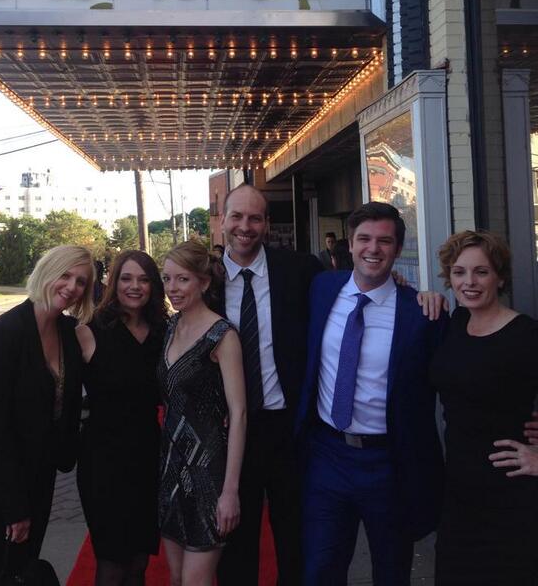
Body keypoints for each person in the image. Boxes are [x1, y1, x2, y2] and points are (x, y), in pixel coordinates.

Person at [296, 201, 446, 586]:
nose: (373, 249)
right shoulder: (322, 288)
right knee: (320, 571)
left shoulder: (421, 314)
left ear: (397, 249)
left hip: (388, 463)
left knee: (392, 572)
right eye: (364, 239)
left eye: (384, 241)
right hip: (327, 455)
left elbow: (457, 380)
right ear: (349, 244)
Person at [0, 245, 94, 586]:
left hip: (34, 480)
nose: (71, 287)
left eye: (81, 281)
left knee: (23, 573)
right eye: (65, 275)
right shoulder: (5, 333)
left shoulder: (68, 332)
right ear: (46, 272)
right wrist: (15, 508)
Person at [216, 184, 322, 586]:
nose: (245, 226)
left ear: (266, 224)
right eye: (237, 217)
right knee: (235, 541)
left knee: (294, 537)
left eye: (255, 218)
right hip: (230, 431)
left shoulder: (300, 270)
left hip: (287, 428)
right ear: (222, 221)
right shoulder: (206, 282)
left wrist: (405, 290)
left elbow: (348, 294)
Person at [429, 230, 538, 586]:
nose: (469, 282)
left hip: (510, 497)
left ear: (500, 277)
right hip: (458, 495)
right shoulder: (456, 323)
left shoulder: (526, 336)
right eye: (459, 272)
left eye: (481, 272)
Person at [76, 250, 167, 586]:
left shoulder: (163, 332)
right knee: (112, 563)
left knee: (140, 561)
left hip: (147, 457)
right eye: (126, 278)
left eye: (143, 279)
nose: (135, 286)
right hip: (103, 462)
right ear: (113, 283)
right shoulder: (90, 331)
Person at [158, 240, 246, 586]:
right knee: (177, 578)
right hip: (170, 468)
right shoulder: (170, 327)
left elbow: (239, 414)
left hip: (209, 472)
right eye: (167, 279)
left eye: (182, 279)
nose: (172, 288)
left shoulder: (222, 335)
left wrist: (230, 490)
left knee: (196, 580)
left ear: (204, 282)